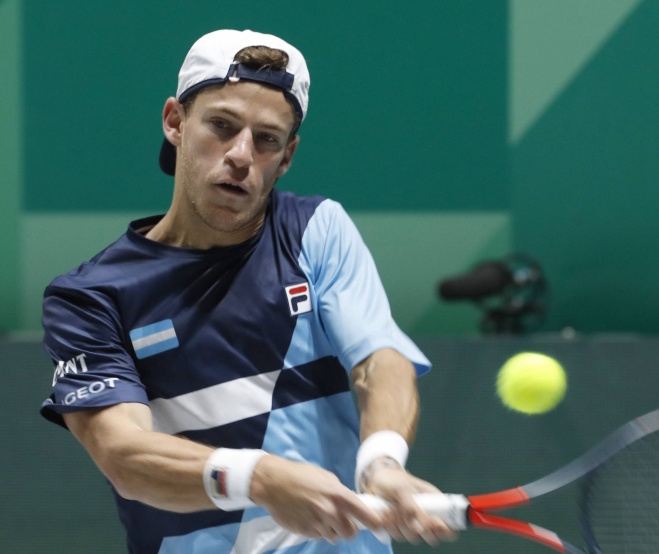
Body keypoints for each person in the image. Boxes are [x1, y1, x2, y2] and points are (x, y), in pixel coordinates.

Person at [39, 29, 456, 554]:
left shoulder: (315, 230)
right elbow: (123, 455)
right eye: (222, 125)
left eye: (267, 139)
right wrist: (257, 476)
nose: (241, 155)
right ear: (175, 122)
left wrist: (383, 462)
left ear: (287, 156)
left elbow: (378, 360)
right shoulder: (91, 297)